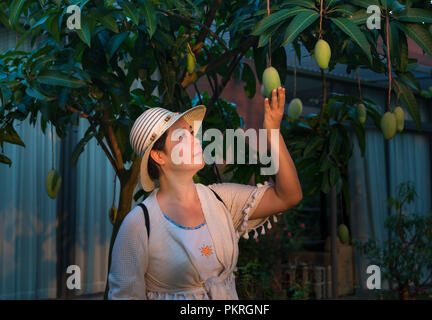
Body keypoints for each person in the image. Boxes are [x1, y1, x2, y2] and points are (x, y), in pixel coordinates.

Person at [108, 86, 302, 299]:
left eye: (191, 132)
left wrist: (273, 130)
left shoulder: (220, 200)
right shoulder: (139, 225)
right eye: (182, 137)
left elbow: (288, 196)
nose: (195, 138)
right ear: (159, 156)